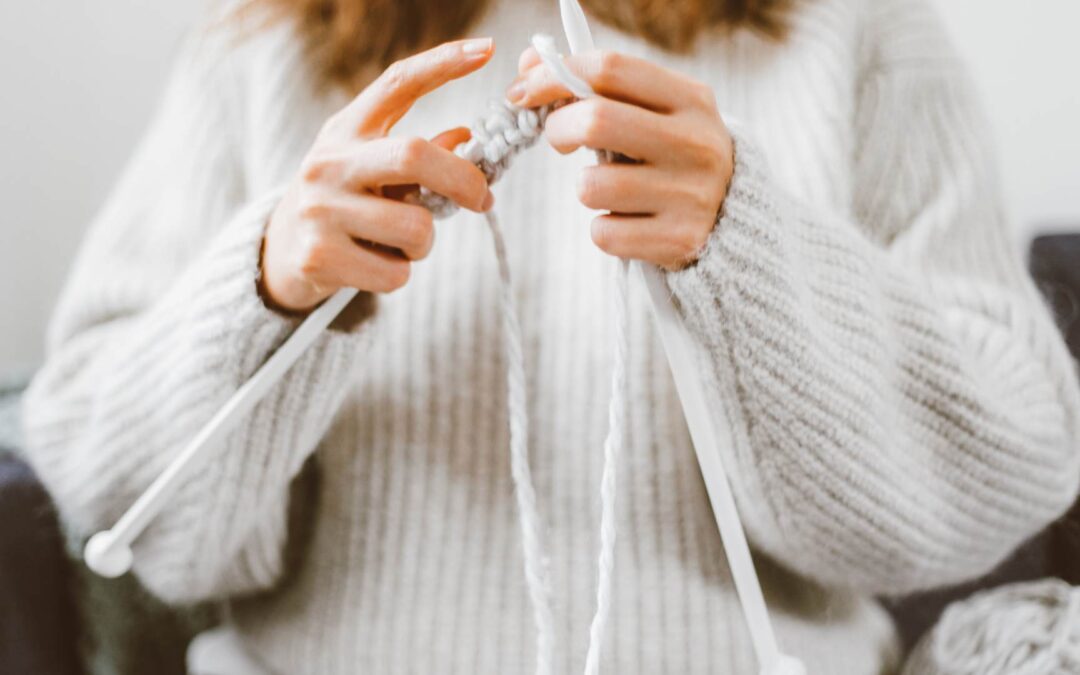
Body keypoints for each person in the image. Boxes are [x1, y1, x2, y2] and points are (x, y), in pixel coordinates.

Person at [21, 0, 1080, 672]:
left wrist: (755, 252)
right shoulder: (253, 52)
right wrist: (265, 290)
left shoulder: (867, 36)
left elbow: (1012, 460)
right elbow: (114, 497)